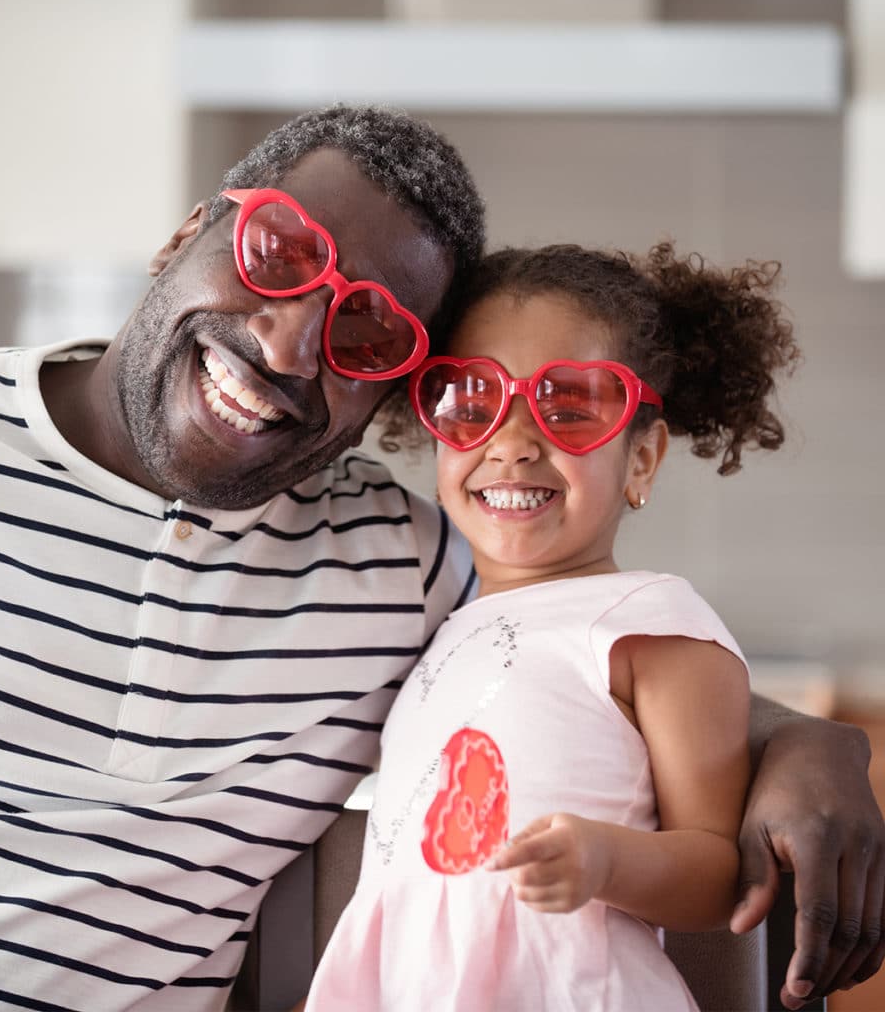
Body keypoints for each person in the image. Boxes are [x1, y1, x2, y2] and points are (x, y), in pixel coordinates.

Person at [0, 106, 878, 1011]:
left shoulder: (401, 558)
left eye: (369, 331)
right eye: (280, 253)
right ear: (187, 233)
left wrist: (808, 744)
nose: (294, 347)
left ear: (389, 397)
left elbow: (588, 652)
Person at [302, 242, 876, 1012]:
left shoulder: (651, 628)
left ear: (642, 460)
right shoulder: (441, 624)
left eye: (570, 407)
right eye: (471, 403)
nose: (510, 441)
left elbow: (716, 873)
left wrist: (605, 861)